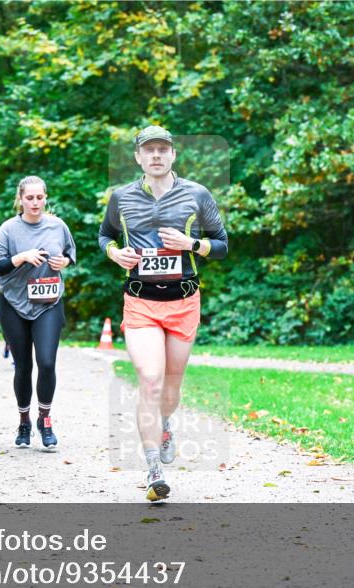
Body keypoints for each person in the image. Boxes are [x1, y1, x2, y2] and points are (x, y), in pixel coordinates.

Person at [98, 125, 228, 501]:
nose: (156, 155)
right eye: (148, 150)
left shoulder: (197, 194)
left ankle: (165, 423)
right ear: (138, 157)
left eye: (162, 149)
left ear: (173, 155)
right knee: (150, 380)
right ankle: (154, 468)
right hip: (140, 300)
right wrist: (114, 253)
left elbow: (222, 244)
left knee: (170, 389)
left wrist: (193, 244)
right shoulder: (120, 197)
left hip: (183, 300)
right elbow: (105, 235)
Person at [0, 176, 76, 450]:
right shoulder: (9, 230)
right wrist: (19, 258)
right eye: (29, 198)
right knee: (23, 365)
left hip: (48, 302)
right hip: (14, 304)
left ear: (46, 197)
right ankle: (24, 420)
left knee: (46, 362)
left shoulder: (58, 226)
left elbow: (70, 253)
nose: (35, 203)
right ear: (20, 200)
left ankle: (44, 420)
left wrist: (64, 261)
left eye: (39, 197)